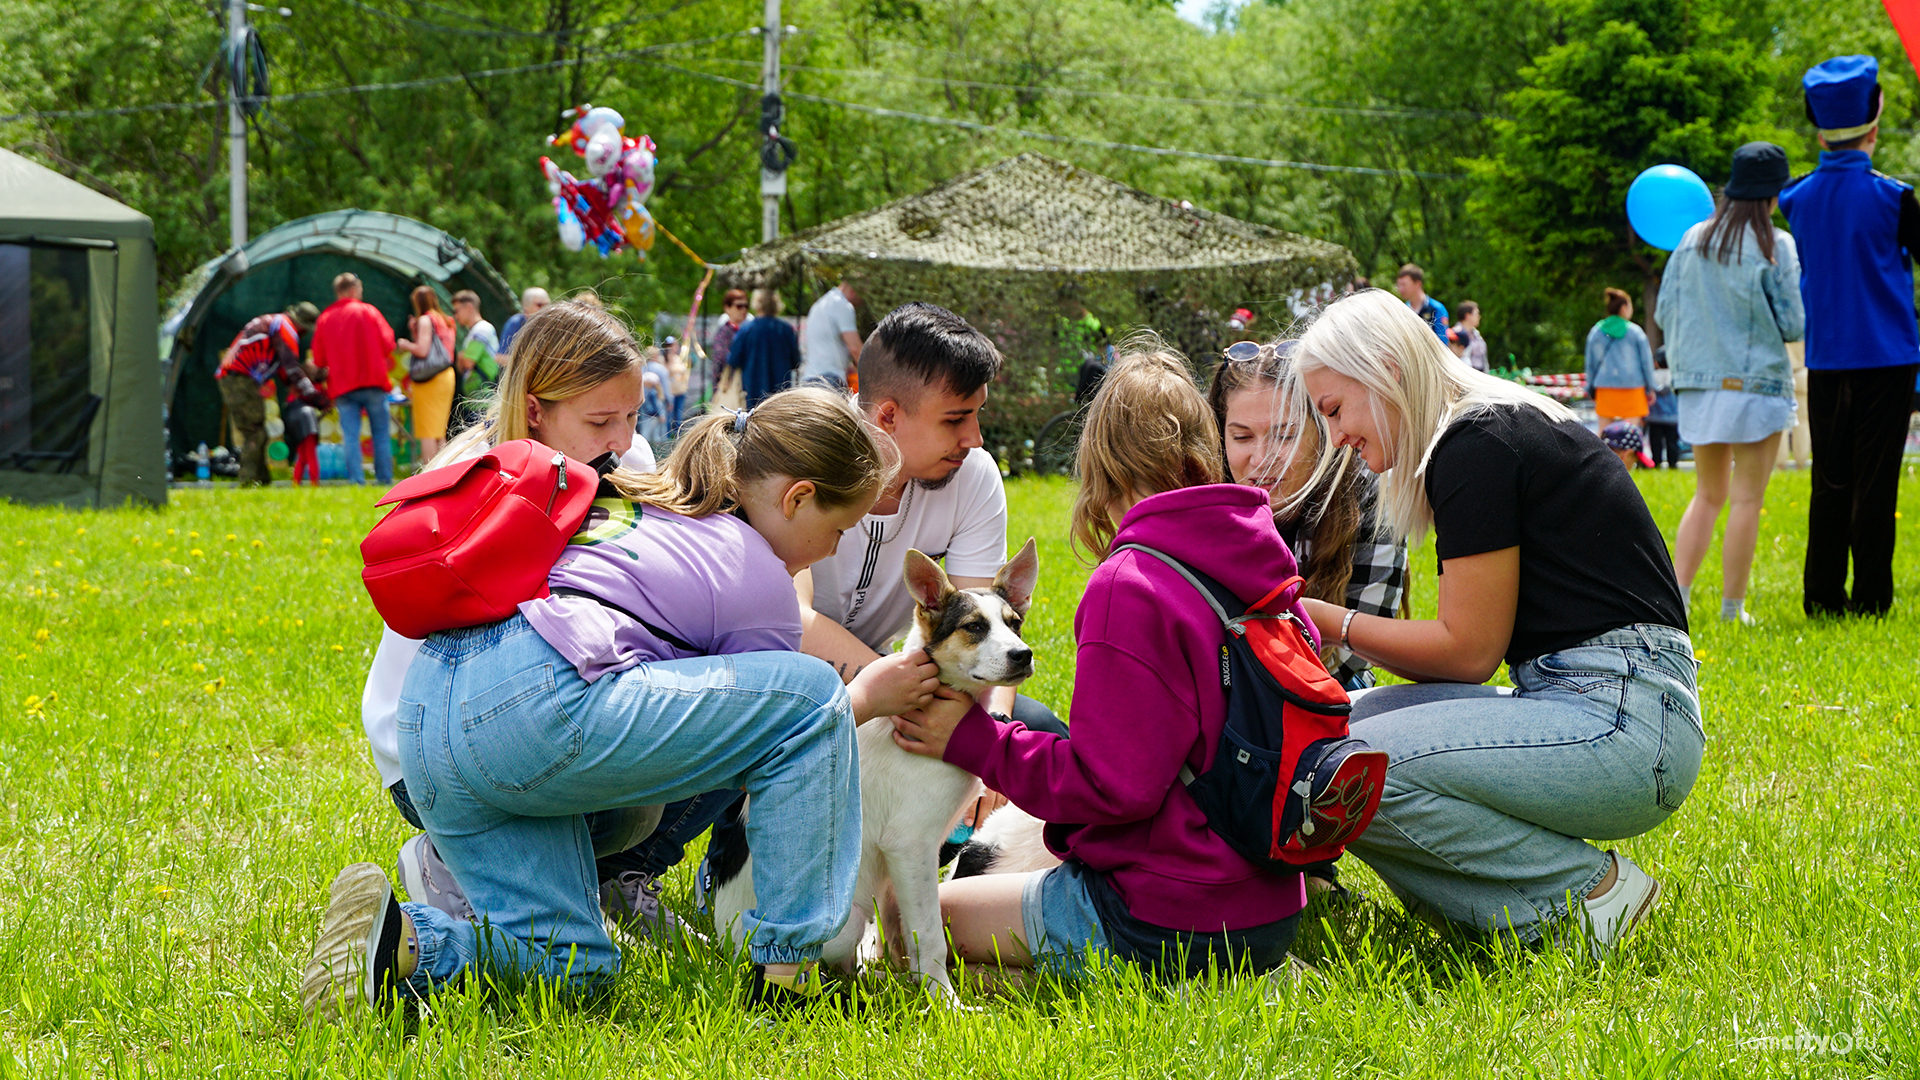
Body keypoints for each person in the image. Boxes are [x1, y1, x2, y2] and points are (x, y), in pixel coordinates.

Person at [306, 306, 926, 1020]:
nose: (832, 550)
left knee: (570, 966)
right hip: (532, 709)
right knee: (813, 699)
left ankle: (403, 941)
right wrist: (867, 692)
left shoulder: (635, 496)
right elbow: (792, 743)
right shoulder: (756, 576)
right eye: (839, 530)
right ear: (797, 497)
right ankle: (786, 979)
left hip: (430, 725)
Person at [592, 302, 1059, 911]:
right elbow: (795, 621)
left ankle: (941, 888)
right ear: (887, 415)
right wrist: (890, 686)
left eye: (977, 418)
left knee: (1037, 730)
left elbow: (982, 627)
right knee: (765, 704)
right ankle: (648, 867)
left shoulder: (973, 477)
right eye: (956, 420)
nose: (973, 439)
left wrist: (986, 734)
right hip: (779, 667)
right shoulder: (813, 451)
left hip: (906, 679)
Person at [1275, 289, 1698, 955]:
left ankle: (1581, 898)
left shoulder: (1474, 443)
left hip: (1625, 726)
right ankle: (1512, 920)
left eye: (1334, 409)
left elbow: (1469, 652)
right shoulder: (1485, 430)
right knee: (1322, 736)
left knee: (1344, 768)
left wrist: (1329, 620)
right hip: (1607, 705)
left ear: (1386, 368)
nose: (1336, 437)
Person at [893, 345, 1313, 981]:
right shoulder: (1261, 560)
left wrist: (981, 741)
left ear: (1101, 469)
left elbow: (1112, 787)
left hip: (1165, 920)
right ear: (1206, 449)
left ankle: (1056, 970)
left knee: (908, 916)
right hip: (1274, 910)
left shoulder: (1131, 582)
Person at [1779, 55, 1920, 618]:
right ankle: (1870, 598)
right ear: (1876, 117)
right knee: (1876, 480)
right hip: (1888, 355)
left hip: (1829, 354)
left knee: (1829, 478)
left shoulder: (1795, 197)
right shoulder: (1895, 197)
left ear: (1819, 125)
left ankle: (1820, 595)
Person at [1657, 141, 1805, 626]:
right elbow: (1793, 324)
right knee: (1746, 498)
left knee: (1707, 493)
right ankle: (1731, 609)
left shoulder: (1691, 239)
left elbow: (1664, 312)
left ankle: (1676, 599)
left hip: (1699, 386)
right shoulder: (1775, 243)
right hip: (1757, 385)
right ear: (1774, 194)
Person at [1208, 340, 1407, 693]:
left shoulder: (1369, 499)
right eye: (1241, 436)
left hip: (1331, 695)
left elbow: (1349, 660)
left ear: (1324, 433)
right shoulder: (1201, 498)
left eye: (1285, 435)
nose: (1262, 458)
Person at [215, 302, 327, 486]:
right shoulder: (285, 326)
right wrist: (316, 397)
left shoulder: (274, 322)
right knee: (254, 432)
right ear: (300, 323)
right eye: (305, 329)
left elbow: (284, 370)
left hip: (236, 378)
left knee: (258, 431)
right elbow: (292, 368)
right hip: (239, 379)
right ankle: (249, 482)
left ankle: (261, 481)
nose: (305, 333)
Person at [310, 273, 398, 485]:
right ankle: (384, 479)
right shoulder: (369, 311)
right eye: (359, 289)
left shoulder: (325, 318)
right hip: (374, 382)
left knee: (350, 436)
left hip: (343, 386)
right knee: (381, 434)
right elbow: (389, 345)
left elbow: (319, 359)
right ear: (352, 289)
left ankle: (356, 481)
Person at [398, 286, 459, 464]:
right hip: (446, 375)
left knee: (427, 431)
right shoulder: (446, 320)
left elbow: (423, 350)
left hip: (429, 379)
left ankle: (429, 473)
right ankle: (445, 470)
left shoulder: (425, 319)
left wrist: (406, 344)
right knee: (439, 430)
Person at [1585, 288, 1656, 427]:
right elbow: (1646, 363)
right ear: (1624, 308)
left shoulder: (1596, 332)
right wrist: (1651, 387)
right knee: (1631, 433)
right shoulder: (1635, 332)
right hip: (1633, 387)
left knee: (1604, 432)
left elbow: (1590, 364)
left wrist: (1589, 388)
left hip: (1605, 388)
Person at [728, 289, 801, 408]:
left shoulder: (746, 329)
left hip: (753, 393)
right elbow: (796, 363)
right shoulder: (786, 330)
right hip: (781, 394)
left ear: (756, 304)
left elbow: (733, 360)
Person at [450, 290, 501, 434]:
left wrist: (462, 356)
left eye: (457, 310)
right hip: (475, 401)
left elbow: (467, 362)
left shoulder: (482, 330)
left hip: (484, 401)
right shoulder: (473, 331)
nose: (456, 315)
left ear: (468, 307)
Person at [802, 278, 862, 390]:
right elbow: (855, 348)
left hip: (809, 380)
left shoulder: (822, 304)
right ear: (855, 290)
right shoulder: (843, 305)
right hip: (829, 380)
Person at [1394, 264, 1449, 342]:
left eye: (1404, 285)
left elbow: (1443, 342)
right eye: (1399, 285)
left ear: (1418, 284)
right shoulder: (1402, 311)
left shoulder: (1436, 309)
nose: (1400, 289)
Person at [1646, 348, 1681, 468]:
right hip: (1673, 417)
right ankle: (1673, 464)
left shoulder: (1651, 376)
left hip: (1654, 417)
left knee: (1656, 443)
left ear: (1656, 362)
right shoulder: (1676, 376)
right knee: (1672, 443)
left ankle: (1656, 463)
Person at [710, 288, 751, 390]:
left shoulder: (749, 331)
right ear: (727, 308)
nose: (743, 310)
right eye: (739, 306)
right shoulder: (724, 332)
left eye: (746, 306)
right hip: (730, 387)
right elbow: (720, 360)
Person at [496, 286, 548, 355]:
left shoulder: (551, 325)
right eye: (539, 305)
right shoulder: (515, 324)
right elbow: (500, 357)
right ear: (526, 306)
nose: (545, 308)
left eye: (547, 304)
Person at [285, 397, 321, 486]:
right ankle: (314, 483)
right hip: (307, 418)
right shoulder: (308, 386)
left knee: (301, 455)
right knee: (311, 454)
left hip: (293, 417)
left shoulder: (291, 390)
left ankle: (296, 483)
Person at [1453, 301, 1488, 372]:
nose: (1479, 317)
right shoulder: (1455, 334)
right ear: (1468, 316)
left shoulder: (1476, 334)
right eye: (1476, 314)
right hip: (1463, 373)